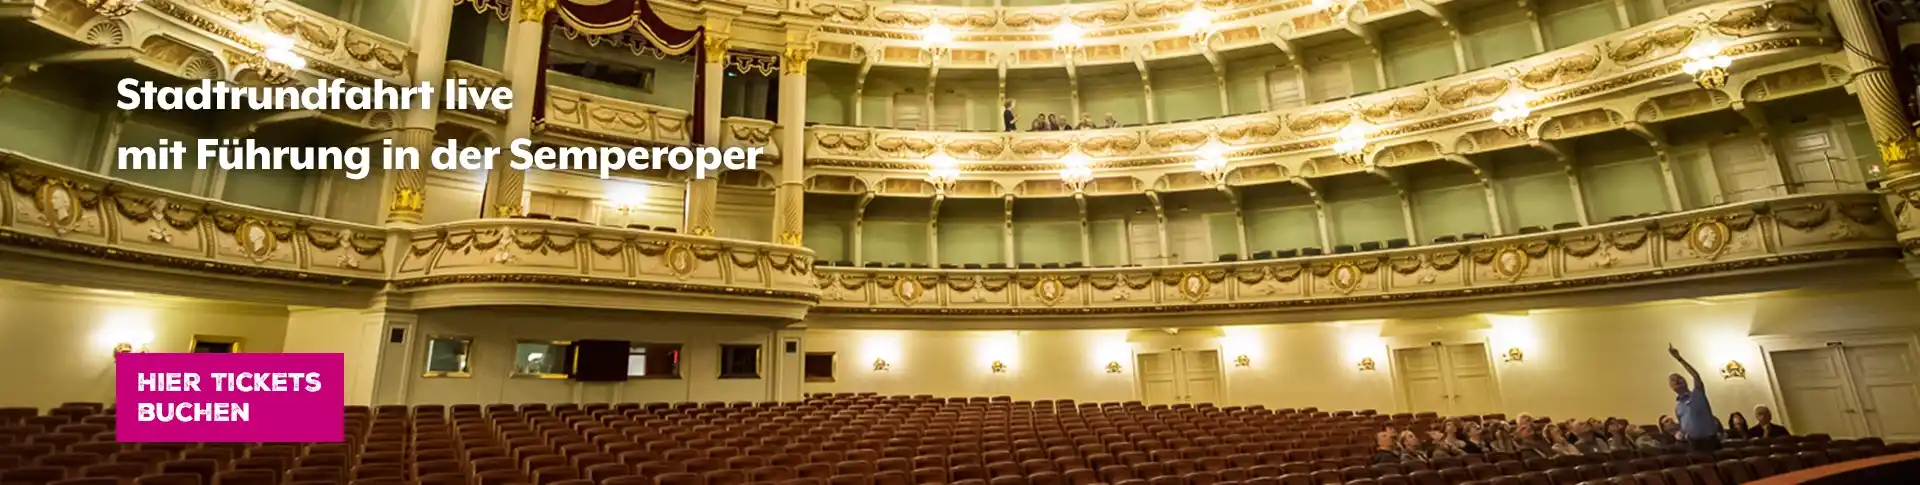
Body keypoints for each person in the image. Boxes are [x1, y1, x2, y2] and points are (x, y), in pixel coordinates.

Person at [1668, 344, 1723, 451]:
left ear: (1685, 380)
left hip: (1710, 442)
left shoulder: (1697, 393)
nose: (1677, 380)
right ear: (1671, 387)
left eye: (1679, 378)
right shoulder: (1678, 407)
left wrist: (1679, 359)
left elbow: (1696, 376)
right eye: (1673, 380)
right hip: (1693, 445)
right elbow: (1684, 426)